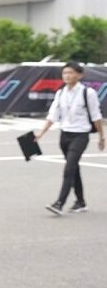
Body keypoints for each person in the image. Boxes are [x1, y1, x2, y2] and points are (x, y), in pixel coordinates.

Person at [34, 61, 105, 215]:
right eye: (65, 73)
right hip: (65, 135)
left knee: (69, 168)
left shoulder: (88, 93)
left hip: (80, 135)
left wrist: (102, 137)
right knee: (74, 169)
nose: (67, 76)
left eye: (71, 73)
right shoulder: (61, 93)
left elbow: (96, 116)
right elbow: (53, 115)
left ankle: (59, 203)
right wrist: (41, 133)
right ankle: (80, 202)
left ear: (79, 75)